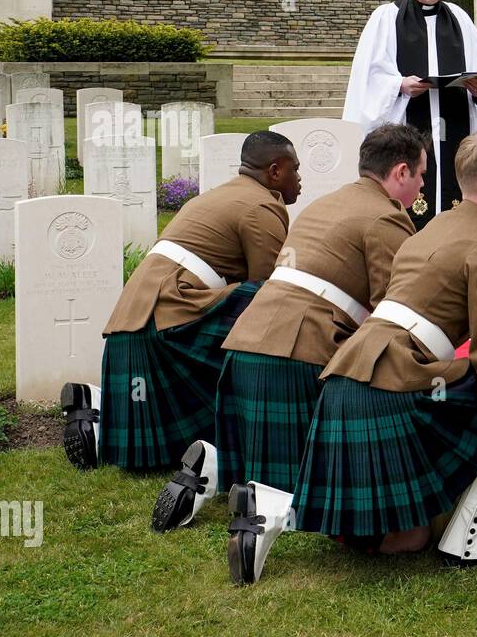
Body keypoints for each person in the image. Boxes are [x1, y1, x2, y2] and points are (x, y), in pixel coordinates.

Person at [227, 130, 477, 585]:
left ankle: (278, 508)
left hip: (347, 379)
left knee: (409, 540)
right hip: (394, 383)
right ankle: (470, 532)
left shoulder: (436, 225)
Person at [148, 124, 427, 532]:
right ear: (400, 172)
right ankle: (241, 483)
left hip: (244, 347)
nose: (422, 186)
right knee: (323, 473)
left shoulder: (323, 204)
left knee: (264, 471)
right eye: (420, 175)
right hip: (298, 356)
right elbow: (394, 308)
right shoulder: (387, 218)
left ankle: (216, 460)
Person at [61, 131, 301, 472]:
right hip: (170, 318)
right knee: (265, 309)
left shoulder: (220, 195)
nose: (300, 178)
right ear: (275, 172)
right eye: (296, 169)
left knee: (149, 450)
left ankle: (97, 407)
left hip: (130, 329)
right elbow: (269, 292)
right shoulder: (262, 206)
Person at [342, 0, 477, 227]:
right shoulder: (386, 18)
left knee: (454, 202)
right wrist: (399, 85)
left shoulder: (459, 19)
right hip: (408, 126)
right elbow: (368, 78)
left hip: (454, 126)